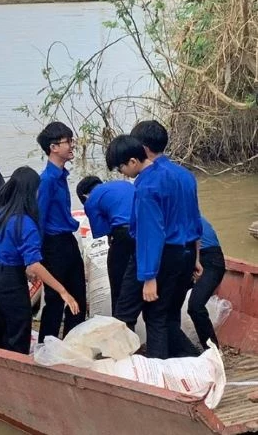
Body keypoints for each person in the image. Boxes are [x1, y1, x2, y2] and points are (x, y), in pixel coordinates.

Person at [105, 135, 194, 359]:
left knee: (124, 315)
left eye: (121, 167)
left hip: (155, 256)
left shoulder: (147, 189)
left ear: (133, 161)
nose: (121, 173)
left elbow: (150, 234)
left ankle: (122, 364)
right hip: (176, 251)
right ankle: (159, 367)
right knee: (157, 316)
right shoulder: (171, 175)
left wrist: (148, 276)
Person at [0, 167, 81, 354]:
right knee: (19, 333)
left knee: (5, 330)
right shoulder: (25, 223)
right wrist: (63, 291)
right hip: (11, 282)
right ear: (32, 192)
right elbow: (34, 264)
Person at [131, 119, 201, 357]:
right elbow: (195, 220)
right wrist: (197, 258)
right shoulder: (185, 175)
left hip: (166, 254)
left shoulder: (152, 180)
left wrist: (148, 275)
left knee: (156, 316)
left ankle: (164, 369)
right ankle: (186, 363)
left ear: (142, 148)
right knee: (171, 314)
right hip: (188, 250)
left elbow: (151, 232)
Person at [36, 122, 87, 343]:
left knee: (78, 296)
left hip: (67, 241)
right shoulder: (47, 180)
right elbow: (39, 216)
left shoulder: (60, 175)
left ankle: (71, 343)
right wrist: (36, 255)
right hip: (53, 244)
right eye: (68, 142)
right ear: (54, 147)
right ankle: (45, 345)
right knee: (56, 299)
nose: (72, 146)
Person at [76, 175, 136, 314]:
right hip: (148, 232)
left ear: (84, 196)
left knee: (118, 281)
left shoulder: (91, 200)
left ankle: (120, 319)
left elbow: (101, 232)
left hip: (125, 235)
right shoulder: (123, 184)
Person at [188, 216, 226, 349]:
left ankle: (213, 350)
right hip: (191, 256)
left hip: (210, 260)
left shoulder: (181, 212)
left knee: (195, 307)